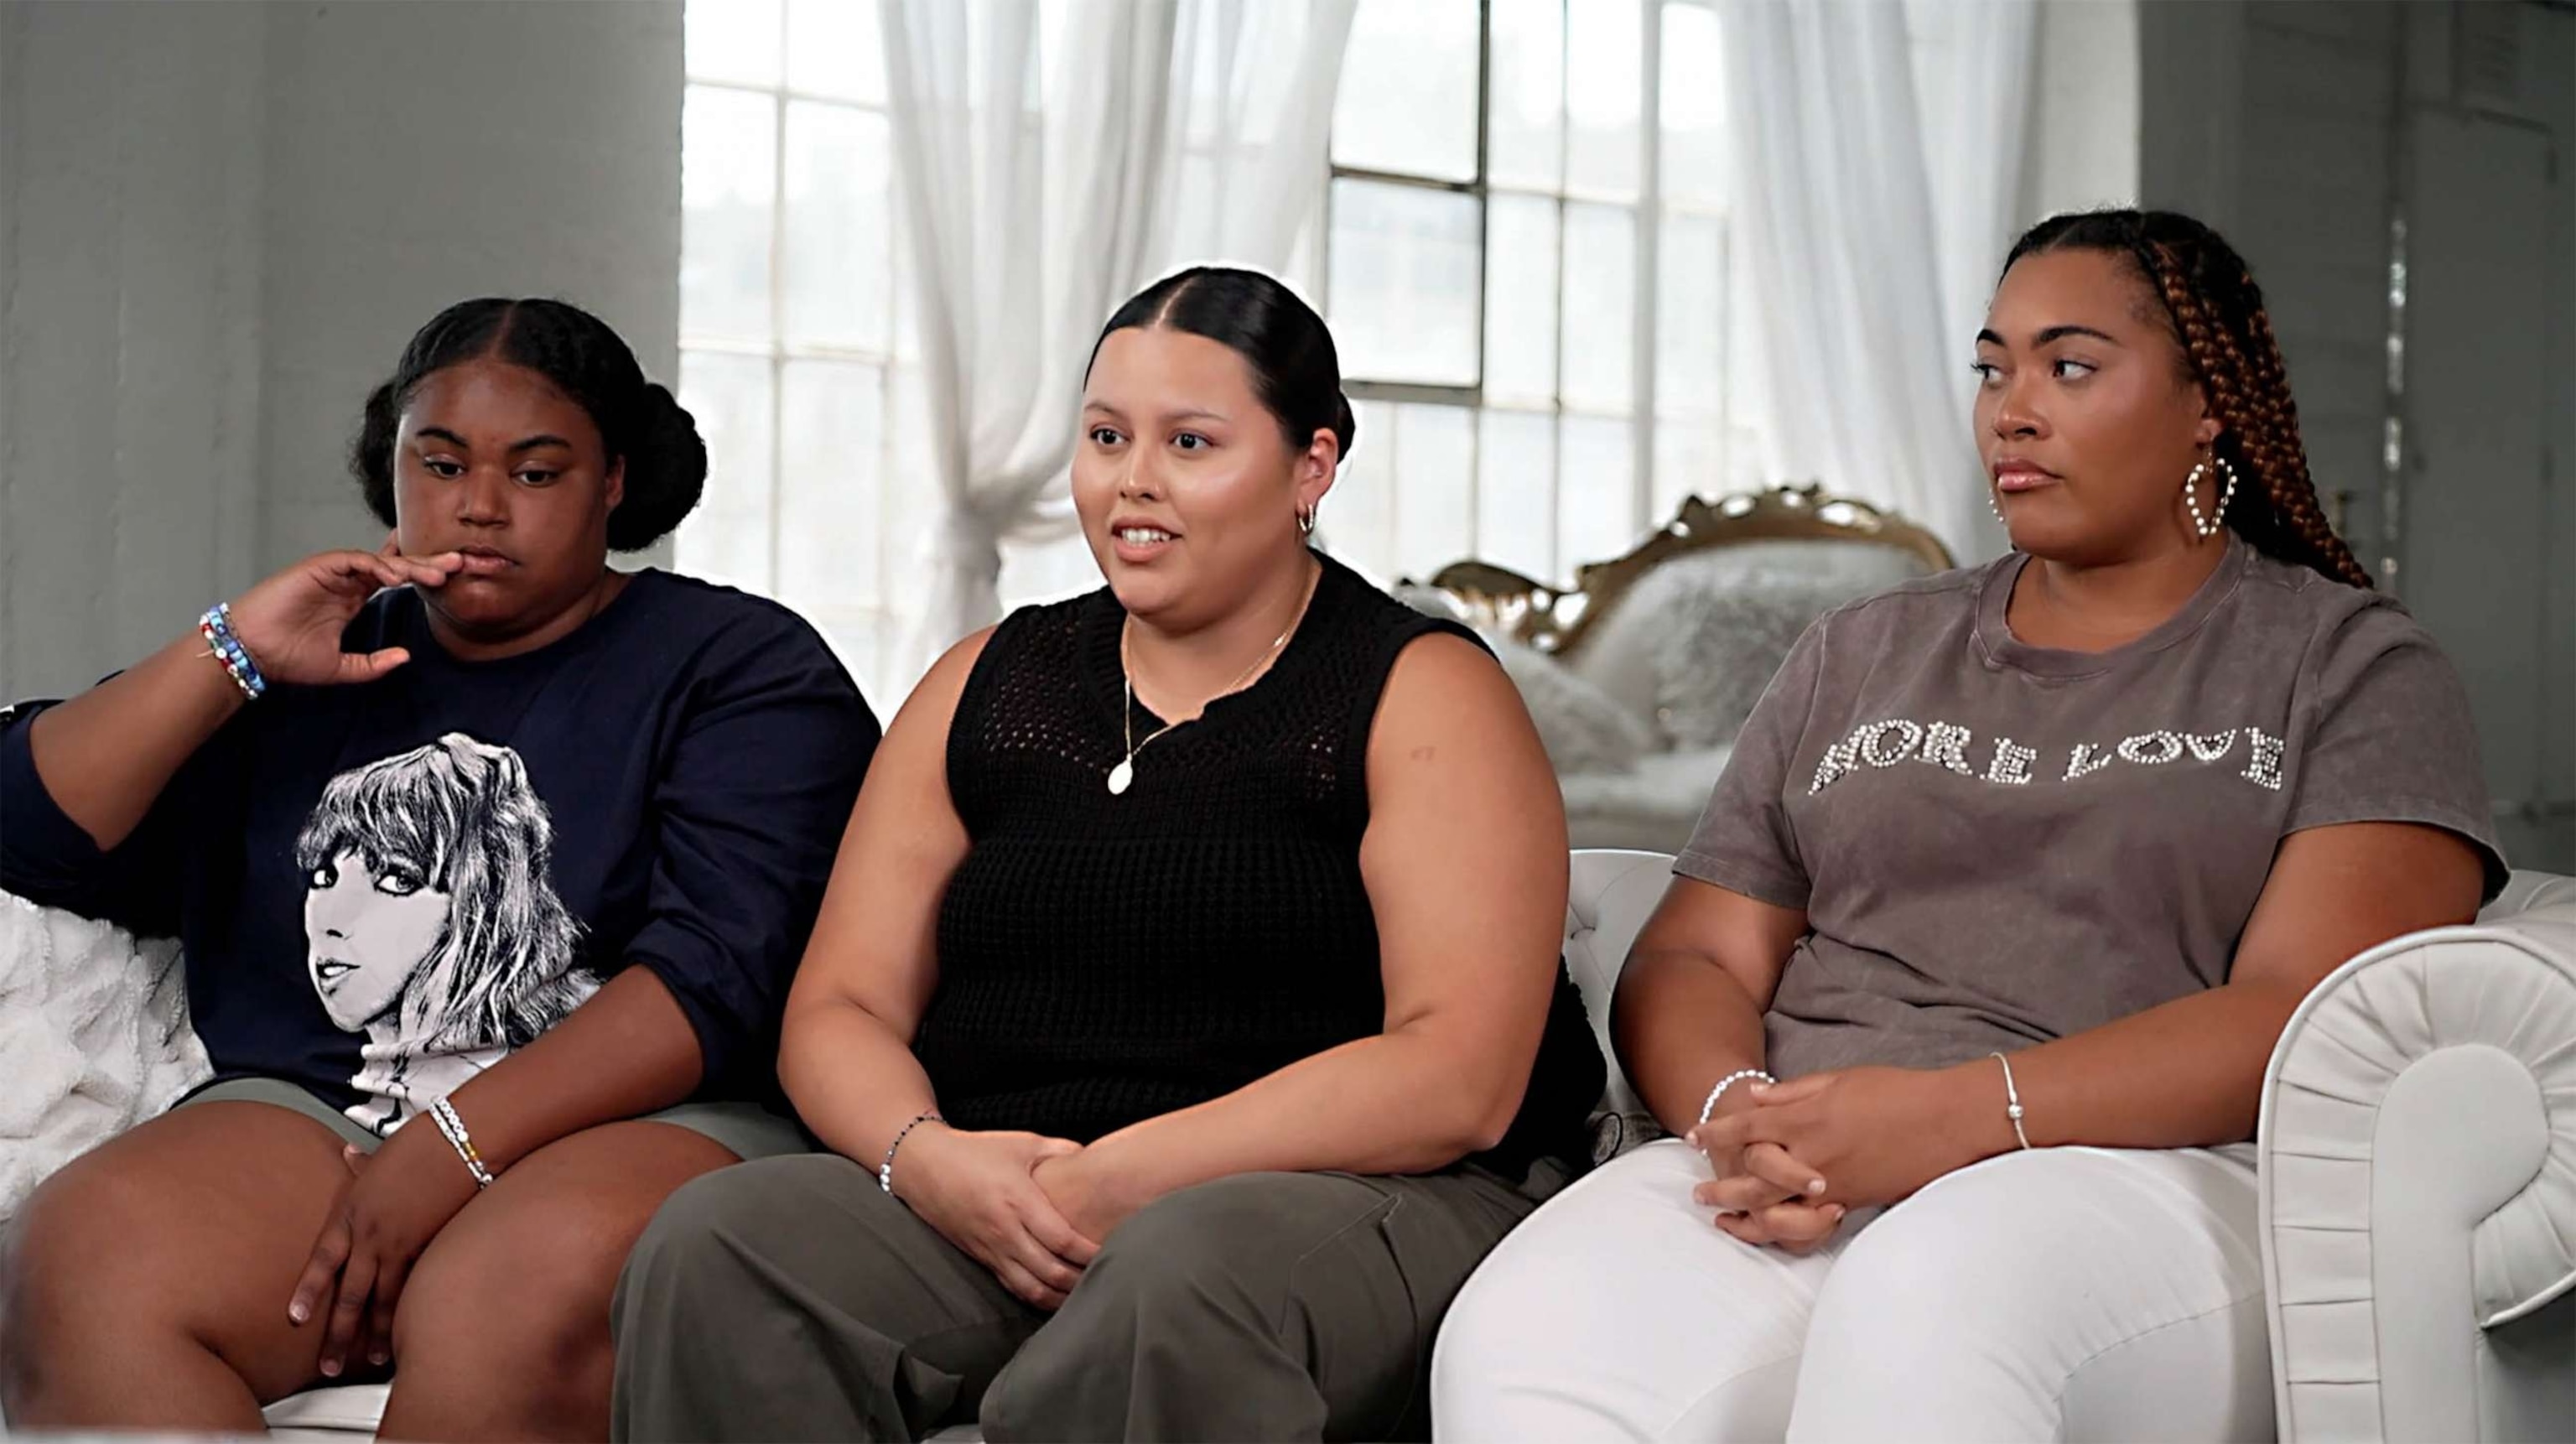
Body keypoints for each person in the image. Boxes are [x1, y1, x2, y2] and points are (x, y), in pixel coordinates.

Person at [1429, 208, 2506, 1442]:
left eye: (2072, 365)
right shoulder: (1865, 648)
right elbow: (1697, 953)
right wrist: (1738, 1110)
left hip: (2141, 1168)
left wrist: (1946, 1119)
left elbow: (2302, 1018)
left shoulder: (2349, 667)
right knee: (1523, 1336)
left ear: (2209, 399)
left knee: (1928, 1307)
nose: (2014, 408)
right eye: (1994, 367)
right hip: (1809, 1147)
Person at [610, 267, 1606, 1442]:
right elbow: (837, 1003)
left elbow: (1456, 1074)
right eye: (1105, 436)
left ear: (1311, 467)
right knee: (721, 1242)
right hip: (1013, 1191)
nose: (1133, 481)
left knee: (1176, 1280)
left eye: (1190, 441)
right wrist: (928, 1162)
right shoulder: (988, 681)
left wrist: (1125, 1175)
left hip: (1353, 1198)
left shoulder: (1420, 689)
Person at [0, 298, 880, 1439]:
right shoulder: (323, 654)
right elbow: (33, 827)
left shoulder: (737, 665)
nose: (477, 503)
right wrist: (233, 650)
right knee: (74, 1275)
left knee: (501, 1303)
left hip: (646, 1116)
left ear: (613, 482)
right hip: (330, 1111)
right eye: (442, 460)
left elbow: (719, 975)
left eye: (536, 470)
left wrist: (449, 1150)